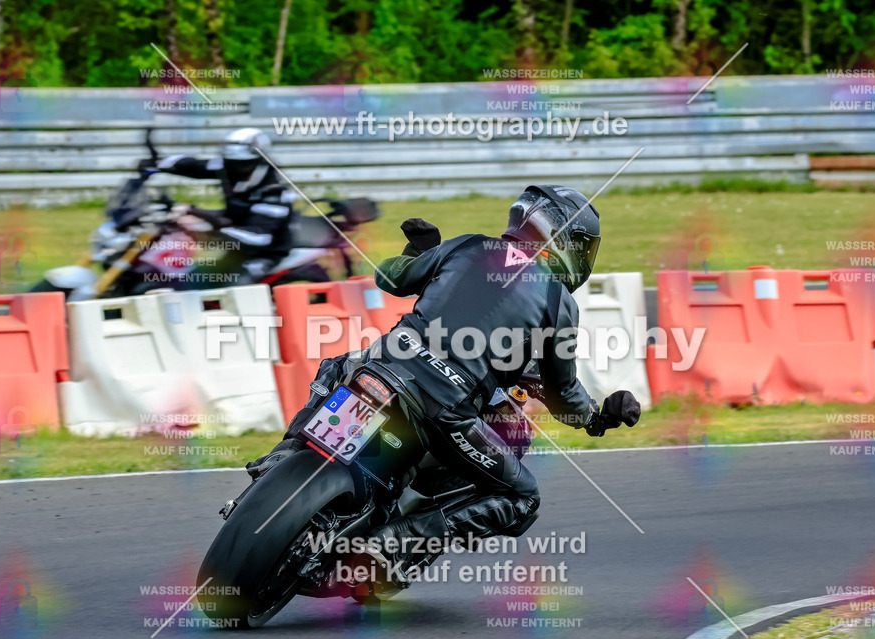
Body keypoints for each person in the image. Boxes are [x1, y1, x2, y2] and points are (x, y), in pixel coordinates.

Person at [248, 185, 641, 578]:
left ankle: (286, 452)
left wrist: (419, 255)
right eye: (583, 246)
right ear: (562, 238)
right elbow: (564, 394)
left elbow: (390, 278)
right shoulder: (557, 299)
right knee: (522, 497)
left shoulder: (468, 245)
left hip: (381, 368)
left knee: (338, 366)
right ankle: (392, 544)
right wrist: (597, 418)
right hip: (444, 408)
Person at [141, 128, 298, 277]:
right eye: (230, 162)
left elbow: (259, 238)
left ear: (259, 160)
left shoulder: (274, 193)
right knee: (189, 271)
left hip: (264, 254)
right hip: (233, 244)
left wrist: (212, 225)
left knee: (234, 284)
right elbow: (195, 166)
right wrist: (158, 165)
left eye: (241, 164)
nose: (234, 168)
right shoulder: (229, 167)